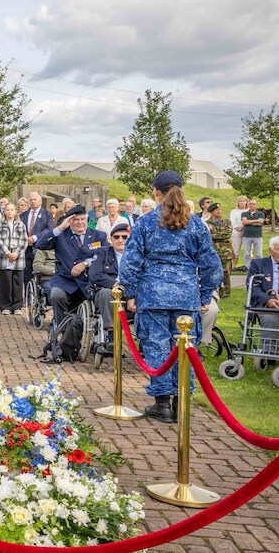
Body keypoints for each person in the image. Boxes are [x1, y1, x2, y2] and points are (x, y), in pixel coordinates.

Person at [118, 171, 222, 424]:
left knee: (157, 347)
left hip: (153, 295)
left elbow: (130, 262)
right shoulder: (197, 224)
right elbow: (212, 266)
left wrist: (130, 293)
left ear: (156, 192)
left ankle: (162, 404)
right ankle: (181, 403)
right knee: (185, 350)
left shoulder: (145, 223)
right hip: (186, 296)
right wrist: (204, 294)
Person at [34, 206, 106, 334]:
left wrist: (85, 263)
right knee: (56, 295)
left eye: (82, 219)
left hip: (89, 281)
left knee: (103, 298)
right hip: (66, 280)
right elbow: (40, 244)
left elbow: (105, 255)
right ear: (69, 221)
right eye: (75, 219)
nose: (80, 222)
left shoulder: (98, 236)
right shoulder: (61, 236)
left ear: (87, 219)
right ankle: (64, 331)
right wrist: (60, 228)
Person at [247, 235, 279, 356]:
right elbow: (253, 287)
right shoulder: (258, 264)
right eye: (278, 249)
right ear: (270, 250)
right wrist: (267, 300)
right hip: (268, 304)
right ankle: (270, 354)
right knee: (270, 319)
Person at [89, 223, 130, 353]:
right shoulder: (102, 252)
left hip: (131, 293)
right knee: (107, 294)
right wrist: (115, 284)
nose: (120, 240)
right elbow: (95, 275)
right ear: (111, 240)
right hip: (108, 292)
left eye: (125, 237)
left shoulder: (137, 255)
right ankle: (112, 337)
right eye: (116, 237)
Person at [0, 202, 28, 315]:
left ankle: (17, 306)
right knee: (5, 282)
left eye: (12, 209)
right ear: (4, 211)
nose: (9, 212)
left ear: (15, 211)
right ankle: (5, 306)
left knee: (17, 283)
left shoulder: (21, 225)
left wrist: (16, 253)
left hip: (18, 258)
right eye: (7, 210)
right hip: (4, 258)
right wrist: (8, 253)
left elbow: (24, 240)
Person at [206, 202, 234, 298]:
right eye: (216, 210)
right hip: (213, 252)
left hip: (226, 252)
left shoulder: (226, 221)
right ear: (211, 212)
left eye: (220, 209)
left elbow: (227, 234)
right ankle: (213, 293)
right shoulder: (207, 223)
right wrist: (219, 235)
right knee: (213, 273)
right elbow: (206, 236)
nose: (219, 211)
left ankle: (226, 293)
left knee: (226, 273)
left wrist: (213, 236)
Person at [240, 199, 266, 268]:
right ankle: (248, 267)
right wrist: (257, 221)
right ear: (248, 205)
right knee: (247, 254)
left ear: (256, 205)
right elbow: (245, 222)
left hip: (257, 236)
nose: (252, 205)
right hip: (246, 236)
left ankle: (259, 267)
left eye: (253, 204)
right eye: (250, 204)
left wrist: (249, 222)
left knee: (259, 254)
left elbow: (261, 222)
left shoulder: (261, 213)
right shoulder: (244, 213)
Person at [229, 194, 248, 270]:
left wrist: (243, 228)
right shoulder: (234, 211)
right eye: (241, 201)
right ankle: (234, 266)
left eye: (244, 201)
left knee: (248, 250)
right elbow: (232, 221)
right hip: (236, 232)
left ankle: (248, 266)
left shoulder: (248, 211)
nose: (242, 202)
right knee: (235, 250)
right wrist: (237, 228)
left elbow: (247, 221)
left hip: (246, 231)